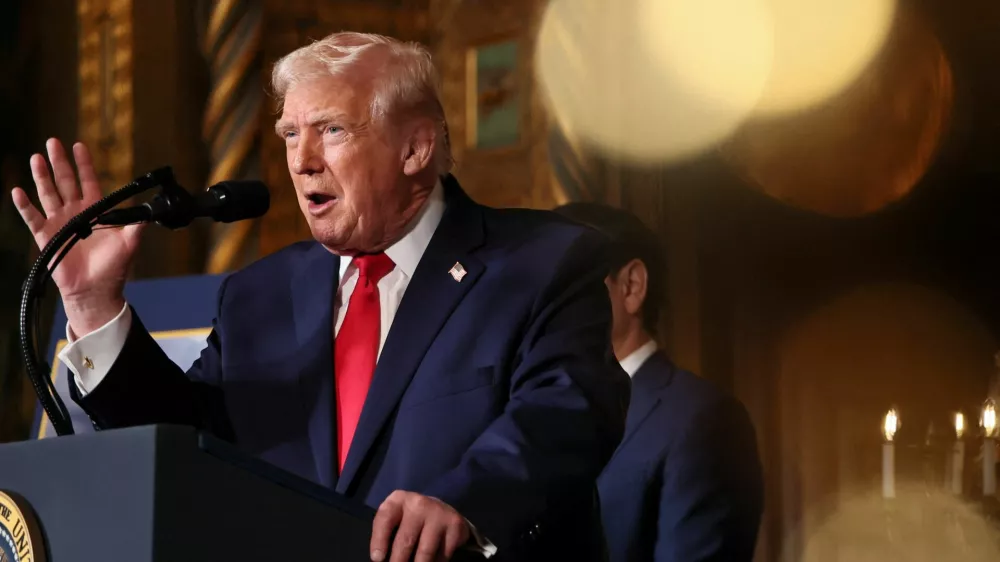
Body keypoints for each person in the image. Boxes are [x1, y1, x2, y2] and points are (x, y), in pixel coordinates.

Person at [12, 33, 630, 562]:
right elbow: (187, 443)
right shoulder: (258, 295)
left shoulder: (542, 263)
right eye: (289, 134)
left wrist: (466, 503)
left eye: (331, 130)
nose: (301, 161)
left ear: (414, 148)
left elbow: (564, 414)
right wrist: (93, 304)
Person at [555, 202, 764, 562]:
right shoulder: (532, 416)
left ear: (631, 286)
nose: (543, 310)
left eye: (563, 286)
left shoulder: (702, 420)